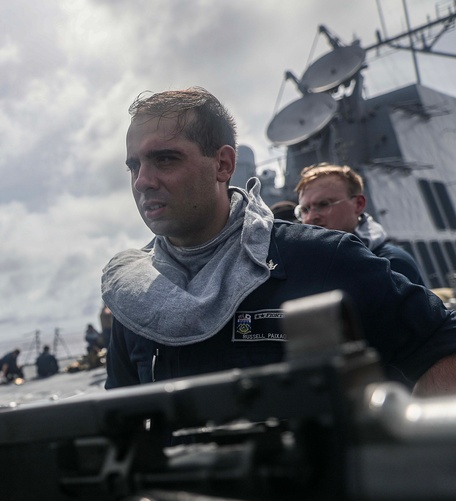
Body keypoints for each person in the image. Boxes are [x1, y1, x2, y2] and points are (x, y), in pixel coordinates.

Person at [102, 86, 456, 394]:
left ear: (223, 165)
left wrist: (415, 457)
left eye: (165, 159)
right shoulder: (135, 297)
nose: (142, 181)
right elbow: (119, 419)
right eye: (134, 166)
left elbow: (440, 342)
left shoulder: (323, 259)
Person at [295, 163, 426, 286]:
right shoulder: (307, 267)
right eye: (305, 210)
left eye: (324, 204)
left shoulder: (391, 265)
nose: (310, 218)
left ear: (358, 204)